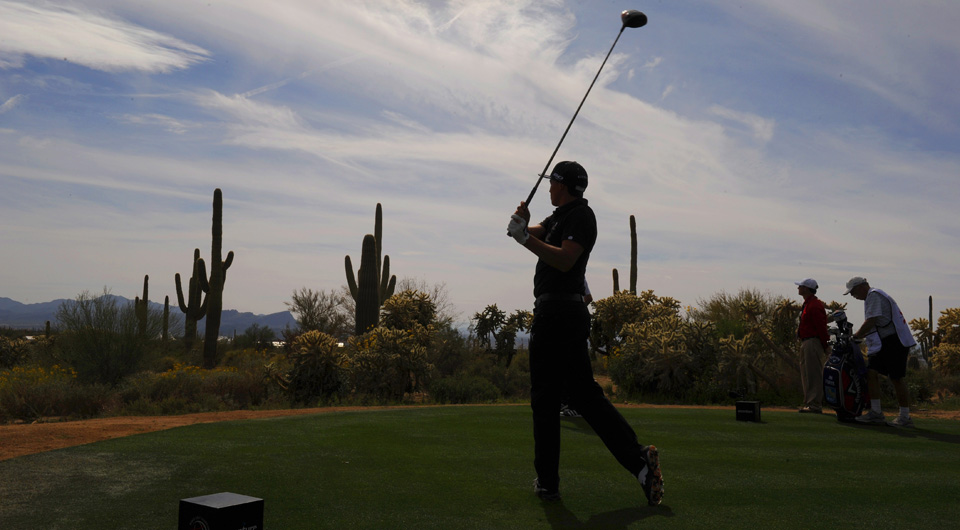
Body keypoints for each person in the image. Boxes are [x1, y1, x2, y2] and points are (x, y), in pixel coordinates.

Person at [506, 161, 663, 506]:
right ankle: (638, 464)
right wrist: (520, 224)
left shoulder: (580, 216)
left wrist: (522, 239)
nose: (548, 188)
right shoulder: (559, 217)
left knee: (550, 399)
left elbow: (564, 260)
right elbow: (535, 232)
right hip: (556, 313)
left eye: (552, 183)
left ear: (562, 185)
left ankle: (549, 483)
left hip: (560, 314)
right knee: (580, 397)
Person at [843, 277, 917, 427]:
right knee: (871, 373)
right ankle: (876, 413)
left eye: (853, 292)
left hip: (895, 341)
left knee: (896, 378)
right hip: (883, 343)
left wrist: (856, 336)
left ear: (862, 286)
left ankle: (905, 417)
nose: (853, 296)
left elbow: (871, 321)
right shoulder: (871, 297)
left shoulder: (874, 295)